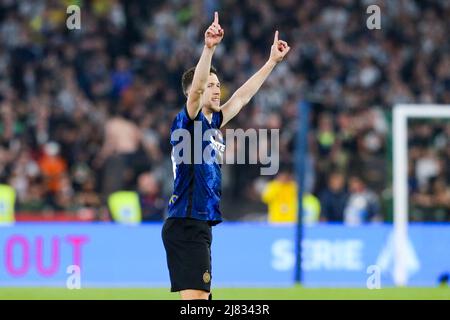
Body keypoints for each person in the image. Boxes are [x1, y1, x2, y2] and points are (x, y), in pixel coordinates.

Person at [161, 12, 290, 300]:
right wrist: (209, 48)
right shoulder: (189, 122)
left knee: (202, 301)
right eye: (210, 85)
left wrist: (271, 63)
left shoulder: (212, 124)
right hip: (187, 222)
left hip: (198, 223)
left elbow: (242, 97)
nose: (216, 89)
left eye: (218, 85)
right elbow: (195, 93)